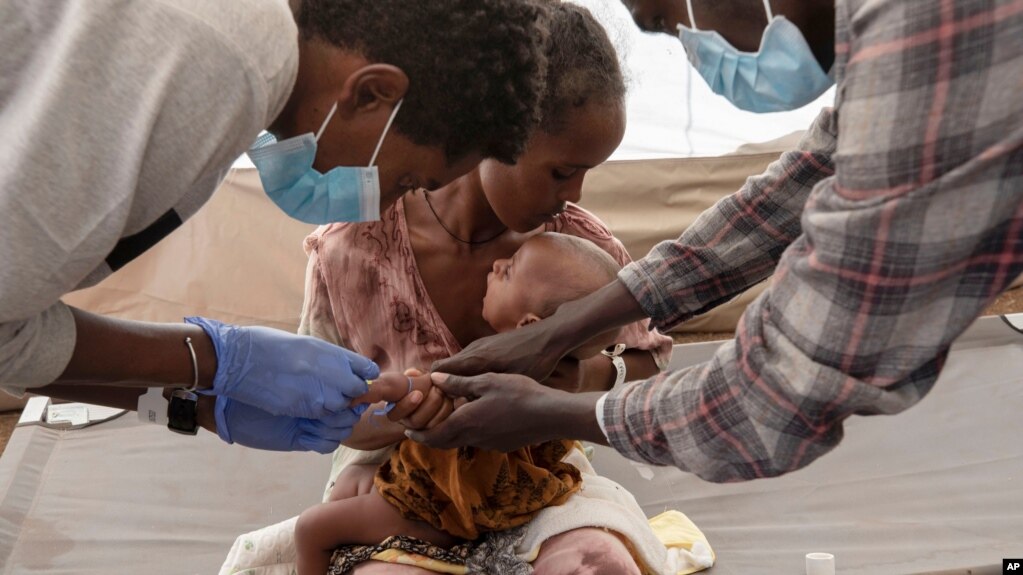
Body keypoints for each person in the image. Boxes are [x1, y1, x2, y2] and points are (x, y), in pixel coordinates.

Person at [416, 0, 1023, 483]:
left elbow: (777, 393)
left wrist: (549, 411)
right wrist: (561, 330)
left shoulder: (930, 35)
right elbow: (801, 186)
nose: (692, 47)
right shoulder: (897, 33)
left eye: (666, 22)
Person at [0, 0, 550, 453]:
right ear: (370, 93)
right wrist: (217, 358)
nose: (381, 206)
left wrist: (199, 401)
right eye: (405, 179)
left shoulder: (246, 60)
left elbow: (15, 326)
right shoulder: (221, 62)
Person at [292, 4, 675, 572]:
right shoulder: (354, 253)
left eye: (589, 171)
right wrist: (405, 421)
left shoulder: (576, 249)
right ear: (500, 134)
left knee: (596, 564)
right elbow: (318, 405)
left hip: (531, 481)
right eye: (562, 171)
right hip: (398, 480)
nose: (576, 195)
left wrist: (578, 376)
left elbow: (648, 361)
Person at [295, 233, 637, 575]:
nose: (497, 264)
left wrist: (385, 387)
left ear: (530, 325)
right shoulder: (550, 377)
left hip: (446, 504)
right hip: (486, 489)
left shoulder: (497, 368)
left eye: (508, 272)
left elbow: (428, 385)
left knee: (311, 529)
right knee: (353, 477)